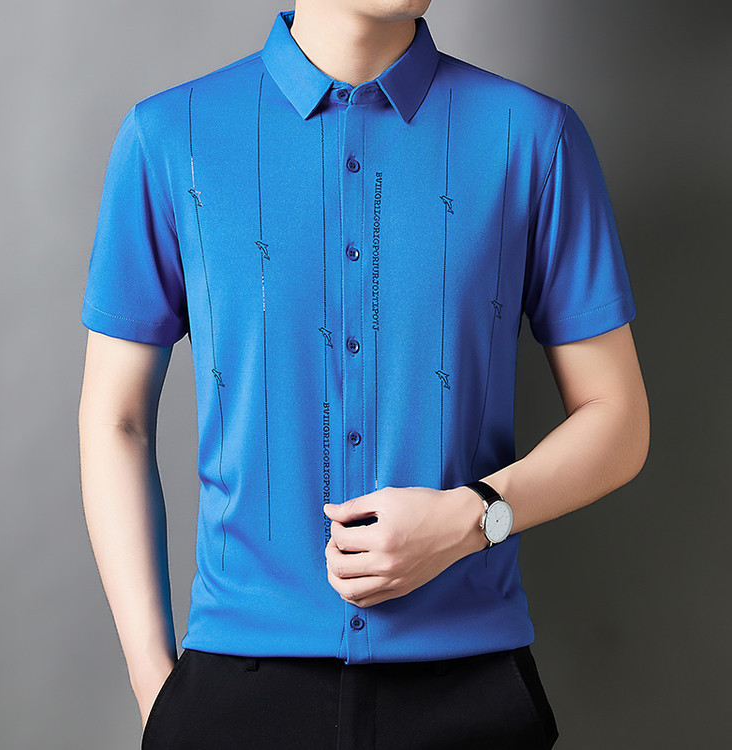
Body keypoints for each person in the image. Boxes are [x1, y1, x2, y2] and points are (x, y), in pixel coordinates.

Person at [77, 1, 650, 748]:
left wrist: (473, 518)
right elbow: (115, 419)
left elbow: (618, 418)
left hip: (469, 691)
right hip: (235, 693)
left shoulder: (533, 138)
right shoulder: (169, 137)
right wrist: (156, 688)